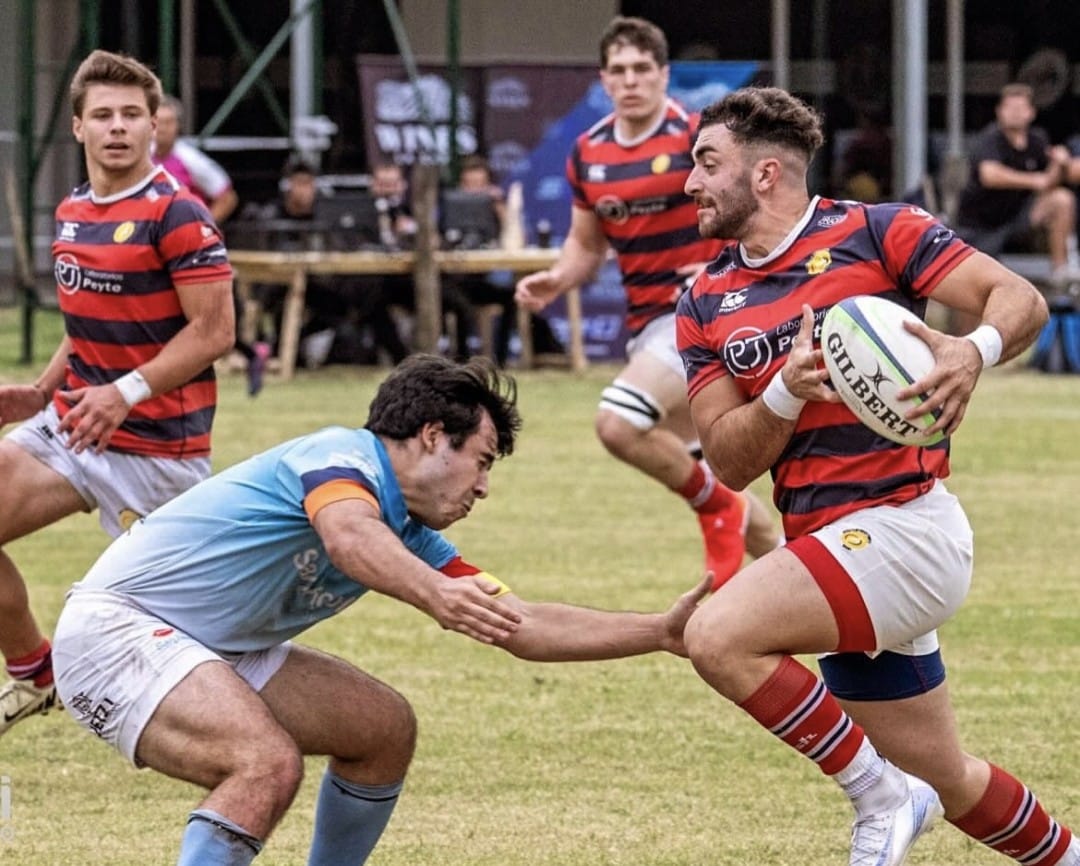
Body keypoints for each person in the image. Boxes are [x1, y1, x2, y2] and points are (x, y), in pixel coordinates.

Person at [50, 354, 709, 865]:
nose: (483, 487)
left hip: (204, 646)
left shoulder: (409, 532)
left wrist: (658, 631)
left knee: (381, 729)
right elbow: (347, 535)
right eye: (480, 462)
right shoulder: (340, 457)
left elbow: (522, 622)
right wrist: (436, 594)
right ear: (429, 436)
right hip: (117, 631)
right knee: (263, 764)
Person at [676, 86, 1078, 866]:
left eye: (706, 163)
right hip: (832, 550)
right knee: (950, 778)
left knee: (716, 636)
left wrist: (974, 350)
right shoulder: (703, 301)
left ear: (764, 175)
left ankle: (880, 797)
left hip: (908, 529)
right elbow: (728, 461)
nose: (689, 182)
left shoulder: (877, 231)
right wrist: (786, 390)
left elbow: (1018, 299)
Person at [0, 50, 236, 736]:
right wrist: (43, 391)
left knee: (207, 625)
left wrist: (126, 391)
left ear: (155, 128)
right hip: (78, 426)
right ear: (78, 127)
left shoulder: (179, 214)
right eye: (102, 115)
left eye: (133, 115)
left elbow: (215, 331)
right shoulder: (74, 210)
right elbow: (92, 316)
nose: (119, 127)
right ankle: (33, 672)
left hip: (160, 450)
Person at [515, 16, 779, 587]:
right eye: (619, 70)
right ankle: (815, 591)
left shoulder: (697, 140)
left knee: (618, 423)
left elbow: (756, 215)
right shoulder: (589, 152)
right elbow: (586, 246)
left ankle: (715, 509)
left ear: (663, 75)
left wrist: (722, 267)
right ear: (604, 79)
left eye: (642, 69)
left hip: (701, 319)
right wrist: (558, 278)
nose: (630, 80)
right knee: (734, 493)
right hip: (649, 326)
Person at [956, 83, 1080, 290]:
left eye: (1020, 108)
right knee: (975, 287)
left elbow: (1048, 182)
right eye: (1010, 108)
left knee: (1061, 199)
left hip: (1017, 219)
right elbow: (990, 175)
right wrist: (1033, 180)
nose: (1015, 114)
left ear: (1031, 113)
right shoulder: (989, 139)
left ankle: (1061, 269)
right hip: (980, 225)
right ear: (999, 111)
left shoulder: (1037, 139)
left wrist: (1060, 163)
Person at [152, 94, 239, 225]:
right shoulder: (138, 158)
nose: (162, 128)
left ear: (178, 126)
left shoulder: (191, 159)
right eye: (158, 123)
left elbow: (227, 198)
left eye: (168, 122)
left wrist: (203, 228)